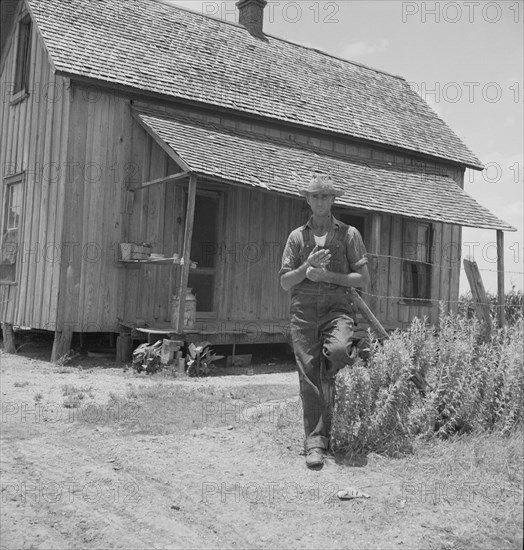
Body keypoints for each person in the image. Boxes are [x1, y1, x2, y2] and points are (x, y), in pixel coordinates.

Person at [279, 172, 370, 469]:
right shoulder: (296, 237)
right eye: (315, 196)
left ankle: (329, 377)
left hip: (337, 310)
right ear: (307, 199)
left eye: (326, 196)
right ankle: (316, 444)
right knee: (308, 378)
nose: (321, 201)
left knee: (341, 352)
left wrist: (328, 276)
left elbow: (363, 278)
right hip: (303, 313)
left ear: (333, 200)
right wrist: (307, 268)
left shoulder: (348, 235)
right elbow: (284, 282)